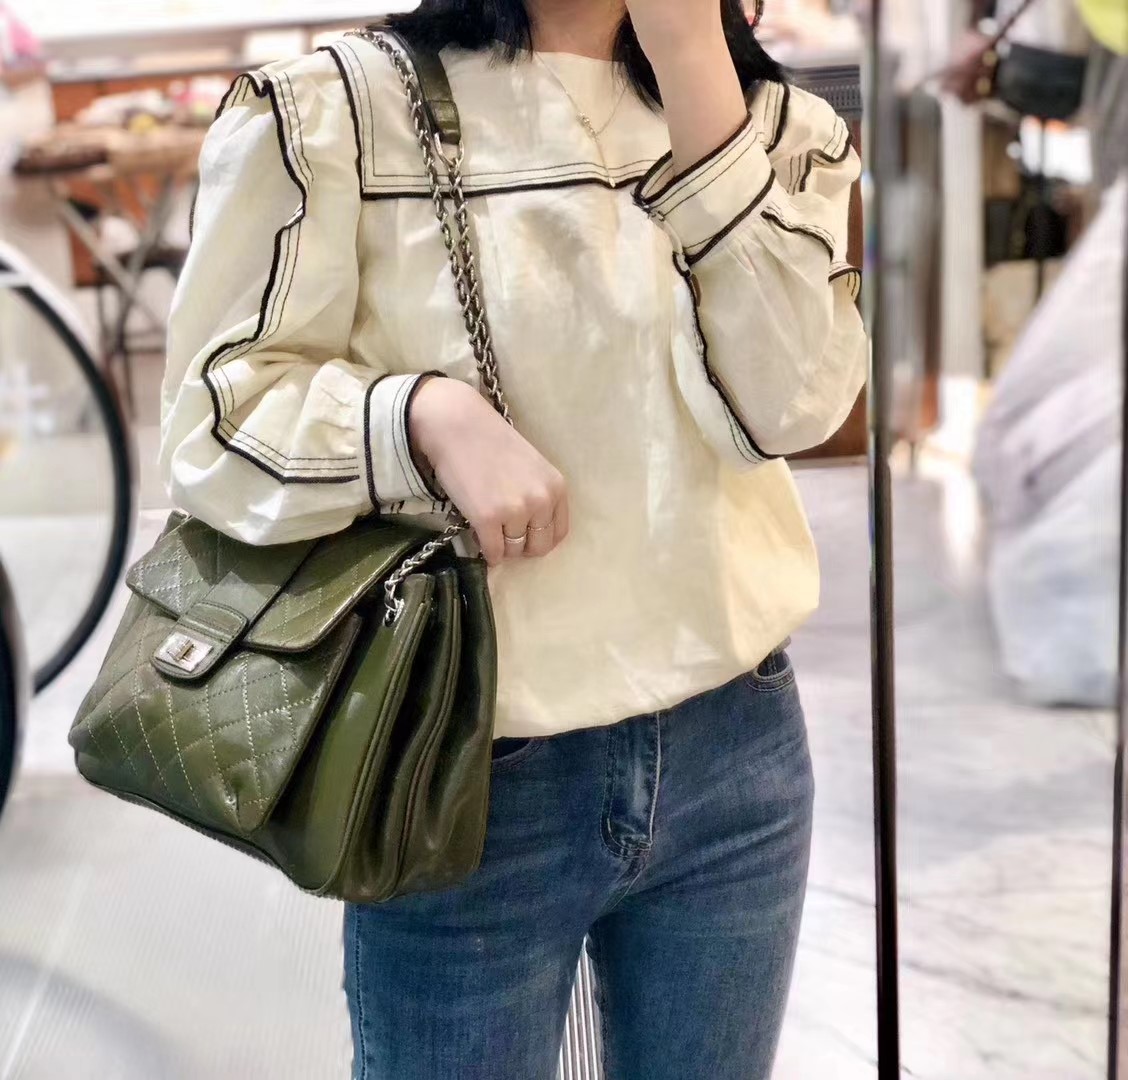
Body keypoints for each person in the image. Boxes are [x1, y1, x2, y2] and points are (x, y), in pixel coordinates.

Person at [158, 1, 867, 1076]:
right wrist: (418, 418)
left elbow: (791, 407)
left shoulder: (770, 121)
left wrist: (690, 55)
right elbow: (215, 422)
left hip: (738, 745)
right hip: (466, 766)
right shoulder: (338, 110)